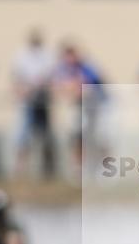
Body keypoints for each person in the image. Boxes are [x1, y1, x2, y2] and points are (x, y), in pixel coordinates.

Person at [54, 43, 106, 172]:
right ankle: (79, 167)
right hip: (78, 108)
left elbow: (90, 86)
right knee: (76, 137)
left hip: (92, 108)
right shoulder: (64, 70)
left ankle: (99, 166)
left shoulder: (85, 68)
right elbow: (60, 87)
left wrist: (76, 88)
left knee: (93, 138)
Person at [13, 30, 56, 178]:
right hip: (27, 101)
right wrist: (23, 90)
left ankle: (47, 170)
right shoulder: (22, 55)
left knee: (46, 135)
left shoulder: (47, 55)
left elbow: (49, 75)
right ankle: (21, 169)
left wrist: (39, 85)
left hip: (43, 100)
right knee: (23, 135)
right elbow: (17, 77)